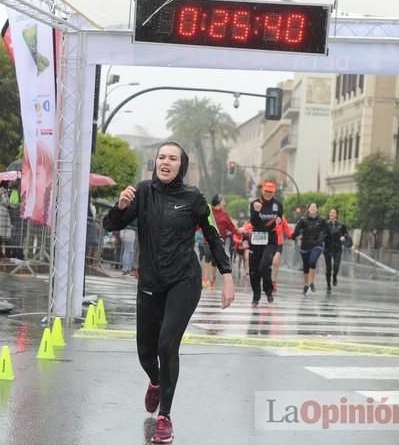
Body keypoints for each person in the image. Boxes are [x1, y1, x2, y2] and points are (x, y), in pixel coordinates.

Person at [103, 142, 234, 444]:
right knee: (146, 353)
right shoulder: (142, 192)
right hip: (150, 281)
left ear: (181, 165)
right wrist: (121, 206)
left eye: (172, 158)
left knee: (167, 345)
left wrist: (227, 275)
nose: (165, 162)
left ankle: (165, 417)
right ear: (155, 163)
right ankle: (154, 381)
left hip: (183, 281)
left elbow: (213, 236)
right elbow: (111, 224)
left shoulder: (194, 198)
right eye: (161, 157)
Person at [249, 180, 283, 307]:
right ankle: (256, 296)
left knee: (264, 265)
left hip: (270, 240)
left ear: (274, 192)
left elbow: (279, 219)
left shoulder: (278, 205)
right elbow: (254, 223)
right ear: (262, 190)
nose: (268, 194)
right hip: (257, 238)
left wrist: (279, 221)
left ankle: (268, 291)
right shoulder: (254, 203)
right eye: (266, 191)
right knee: (255, 270)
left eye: (271, 192)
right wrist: (257, 212)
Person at [291, 203, 329, 295]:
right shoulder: (303, 220)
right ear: (308, 209)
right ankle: (306, 284)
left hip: (317, 245)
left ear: (317, 210)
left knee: (312, 261)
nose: (313, 208)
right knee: (306, 266)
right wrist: (293, 236)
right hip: (305, 246)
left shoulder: (322, 220)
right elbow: (296, 232)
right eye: (311, 207)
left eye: (314, 207)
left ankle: (311, 282)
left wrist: (322, 238)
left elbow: (327, 232)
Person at [202, 194, 238, 290]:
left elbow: (231, 227)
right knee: (208, 256)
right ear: (218, 201)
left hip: (219, 241)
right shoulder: (208, 211)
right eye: (223, 201)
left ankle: (212, 280)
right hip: (207, 239)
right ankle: (204, 279)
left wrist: (239, 232)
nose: (224, 203)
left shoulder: (225, 215)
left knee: (214, 261)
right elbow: (200, 223)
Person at [323, 208, 348, 293]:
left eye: (334, 213)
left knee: (336, 266)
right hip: (328, 248)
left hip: (337, 248)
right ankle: (328, 285)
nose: (332, 214)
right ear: (329, 214)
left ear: (337, 215)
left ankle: (334, 276)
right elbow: (321, 234)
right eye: (331, 213)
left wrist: (343, 237)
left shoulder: (341, 225)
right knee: (328, 268)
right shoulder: (325, 224)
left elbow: (346, 233)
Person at [270, 216, 292, 293]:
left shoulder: (282, 218)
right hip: (267, 243)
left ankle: (273, 282)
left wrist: (293, 235)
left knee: (275, 263)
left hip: (278, 243)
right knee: (266, 264)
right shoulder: (266, 216)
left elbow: (287, 230)